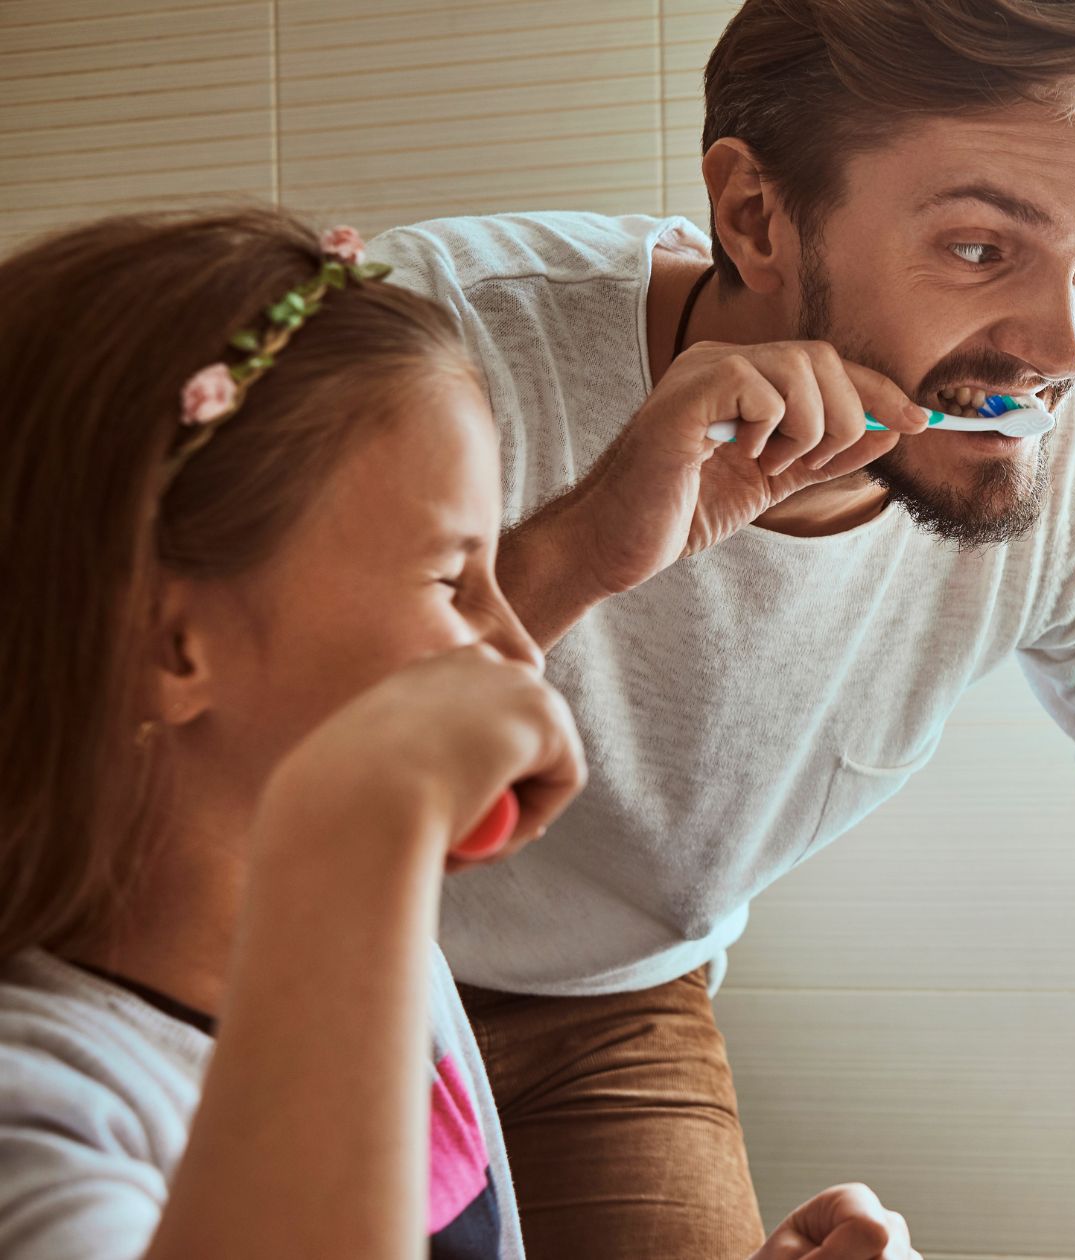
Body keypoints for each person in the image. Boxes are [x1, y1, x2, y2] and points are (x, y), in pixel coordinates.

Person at [366, 3, 1075, 1254]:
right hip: (302, 948)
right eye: (978, 249)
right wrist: (581, 550)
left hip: (612, 1007)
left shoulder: (1060, 477)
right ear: (752, 217)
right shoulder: (442, 342)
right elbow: (213, 743)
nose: (1063, 346)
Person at [0, 208, 918, 1260]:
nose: (517, 648)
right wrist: (353, 844)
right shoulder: (49, 1118)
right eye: (449, 577)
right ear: (170, 645)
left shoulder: (399, 982)